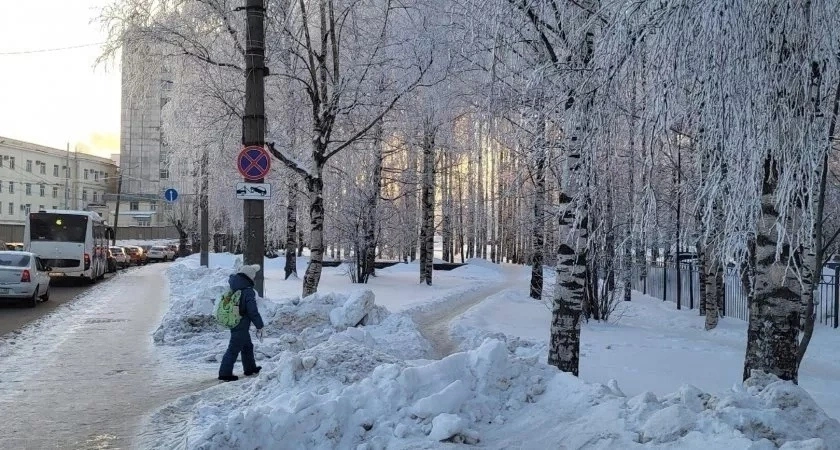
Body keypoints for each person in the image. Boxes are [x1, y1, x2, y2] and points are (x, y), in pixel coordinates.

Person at [218, 264, 264, 382]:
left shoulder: (234, 287)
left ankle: (250, 368)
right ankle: (225, 373)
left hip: (235, 320)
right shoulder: (248, 291)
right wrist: (259, 324)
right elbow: (252, 310)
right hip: (241, 323)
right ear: (249, 277)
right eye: (253, 276)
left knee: (247, 346)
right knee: (234, 348)